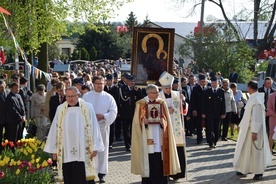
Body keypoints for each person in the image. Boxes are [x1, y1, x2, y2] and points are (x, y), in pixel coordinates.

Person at [44, 86, 104, 184]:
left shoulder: (87, 107)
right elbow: (55, 129)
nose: (70, 99)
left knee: (83, 176)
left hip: (84, 149)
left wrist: (95, 147)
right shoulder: (60, 109)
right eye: (68, 96)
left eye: (73, 96)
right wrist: (54, 150)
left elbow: (94, 127)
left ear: (78, 95)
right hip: (66, 149)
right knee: (69, 176)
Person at [131, 84, 180, 184]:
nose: (158, 94)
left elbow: (167, 122)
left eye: (158, 92)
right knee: (149, 161)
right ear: (149, 93)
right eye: (156, 92)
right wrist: (142, 123)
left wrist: (163, 123)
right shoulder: (140, 104)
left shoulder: (162, 103)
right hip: (146, 138)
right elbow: (136, 124)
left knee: (160, 161)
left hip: (160, 137)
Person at [233, 81, 272, 180]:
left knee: (256, 152)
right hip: (247, 130)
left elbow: (257, 117)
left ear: (249, 88)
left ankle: (259, 172)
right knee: (246, 151)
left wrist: (254, 132)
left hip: (255, 131)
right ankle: (245, 168)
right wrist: (241, 125)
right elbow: (247, 115)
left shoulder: (257, 100)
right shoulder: (253, 98)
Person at [82, 76, 117, 183]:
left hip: (103, 127)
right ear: (93, 84)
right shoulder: (86, 96)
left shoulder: (109, 97)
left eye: (101, 83)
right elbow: (81, 110)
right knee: (90, 151)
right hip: (90, 129)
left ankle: (101, 173)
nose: (100, 85)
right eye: (97, 83)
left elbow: (113, 111)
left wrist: (104, 116)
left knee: (102, 151)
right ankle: (90, 173)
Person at [158, 72, 186, 181]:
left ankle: (177, 174)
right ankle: (166, 173)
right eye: (166, 88)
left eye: (169, 88)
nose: (168, 90)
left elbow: (183, 110)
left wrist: (183, 101)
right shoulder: (159, 97)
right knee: (165, 150)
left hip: (176, 127)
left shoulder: (176, 95)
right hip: (164, 128)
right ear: (162, 88)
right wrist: (166, 111)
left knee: (178, 149)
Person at [118, 74, 144, 151]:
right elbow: (122, 99)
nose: (132, 83)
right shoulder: (122, 88)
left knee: (134, 130)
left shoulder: (137, 89)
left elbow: (142, 98)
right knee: (126, 131)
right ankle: (127, 145)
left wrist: (137, 91)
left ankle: (134, 144)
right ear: (127, 81)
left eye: (133, 81)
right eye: (131, 81)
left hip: (135, 113)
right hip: (125, 113)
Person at [202, 77, 226, 149]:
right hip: (209, 114)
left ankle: (215, 141)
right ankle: (210, 142)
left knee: (217, 129)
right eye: (212, 83)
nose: (214, 84)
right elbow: (204, 103)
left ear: (217, 83)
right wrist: (203, 113)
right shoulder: (207, 91)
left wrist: (223, 113)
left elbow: (223, 103)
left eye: (215, 82)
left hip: (218, 114)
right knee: (209, 128)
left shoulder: (221, 91)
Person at [191, 75, 208, 144]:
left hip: (207, 110)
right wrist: (194, 109)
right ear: (199, 81)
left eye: (204, 81)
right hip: (198, 110)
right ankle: (199, 139)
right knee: (198, 126)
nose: (203, 83)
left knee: (208, 125)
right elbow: (193, 100)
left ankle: (208, 139)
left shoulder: (208, 89)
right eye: (201, 81)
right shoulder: (195, 89)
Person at [0, 80, 9, 152]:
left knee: (8, 135)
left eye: (3, 87)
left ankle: (6, 148)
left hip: (8, 118)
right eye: (0, 87)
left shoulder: (8, 93)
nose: (1, 89)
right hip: (0, 118)